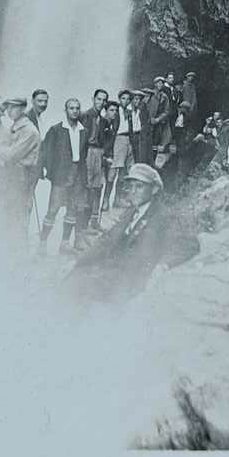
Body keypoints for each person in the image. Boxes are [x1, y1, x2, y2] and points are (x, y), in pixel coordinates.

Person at [66, 163, 170, 304]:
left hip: (131, 281)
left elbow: (187, 243)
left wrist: (163, 265)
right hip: (114, 273)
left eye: (139, 186)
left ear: (154, 189)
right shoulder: (132, 212)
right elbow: (107, 240)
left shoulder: (161, 216)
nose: (132, 191)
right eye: (131, 186)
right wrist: (79, 262)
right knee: (71, 281)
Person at [37, 97, 87, 251]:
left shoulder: (84, 131)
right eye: (71, 108)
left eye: (77, 108)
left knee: (72, 209)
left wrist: (82, 176)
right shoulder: (56, 130)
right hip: (61, 176)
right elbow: (45, 151)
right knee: (53, 209)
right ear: (65, 111)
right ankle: (43, 243)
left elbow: (83, 156)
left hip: (77, 174)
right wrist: (47, 171)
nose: (74, 111)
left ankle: (65, 243)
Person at [0, 96, 42, 242]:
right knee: (7, 214)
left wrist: (4, 153)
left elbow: (12, 155)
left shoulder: (30, 131)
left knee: (19, 217)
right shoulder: (12, 127)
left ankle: (19, 255)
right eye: (8, 108)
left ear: (23, 108)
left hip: (22, 178)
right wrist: (4, 153)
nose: (9, 111)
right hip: (10, 176)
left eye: (13, 107)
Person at [80, 89, 110, 236]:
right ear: (93, 99)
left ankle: (93, 222)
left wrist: (104, 153)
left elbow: (105, 139)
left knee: (97, 187)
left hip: (98, 153)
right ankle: (83, 227)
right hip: (88, 153)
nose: (101, 103)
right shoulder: (85, 115)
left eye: (104, 100)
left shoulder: (103, 120)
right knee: (88, 188)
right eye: (99, 99)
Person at [147, 76, 172, 167]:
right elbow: (145, 108)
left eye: (162, 83)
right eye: (158, 83)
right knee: (146, 142)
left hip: (158, 124)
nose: (160, 85)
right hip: (148, 123)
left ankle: (152, 163)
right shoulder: (149, 94)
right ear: (155, 84)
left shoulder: (164, 97)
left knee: (155, 143)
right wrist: (150, 119)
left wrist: (158, 119)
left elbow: (166, 111)